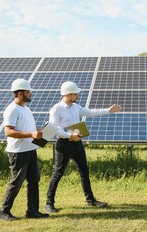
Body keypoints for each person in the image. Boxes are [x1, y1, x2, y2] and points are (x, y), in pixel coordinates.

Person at [45, 81, 122, 213]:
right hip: (64, 145)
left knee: (84, 171)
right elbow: (53, 129)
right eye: (76, 93)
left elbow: (90, 112)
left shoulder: (76, 107)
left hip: (77, 144)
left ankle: (90, 200)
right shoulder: (56, 109)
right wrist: (70, 136)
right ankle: (48, 204)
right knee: (58, 173)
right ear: (68, 95)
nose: (78, 95)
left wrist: (108, 110)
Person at [0, 78, 49, 221]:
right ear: (20, 93)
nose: (30, 94)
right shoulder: (11, 109)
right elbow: (8, 132)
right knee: (16, 182)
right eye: (28, 92)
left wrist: (39, 130)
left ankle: (32, 211)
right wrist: (31, 134)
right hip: (18, 152)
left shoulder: (25, 108)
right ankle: (3, 211)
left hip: (30, 149)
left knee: (34, 179)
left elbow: (28, 129)